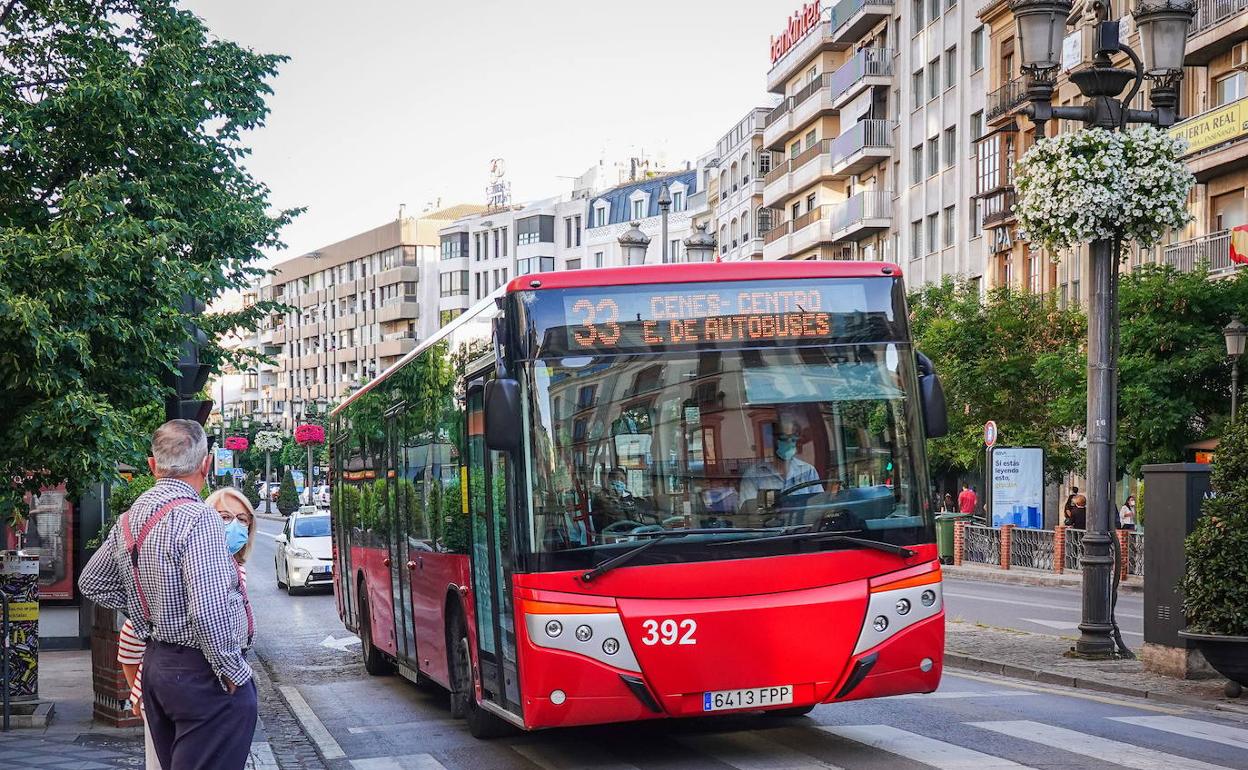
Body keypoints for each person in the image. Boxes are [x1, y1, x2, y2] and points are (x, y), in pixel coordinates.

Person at [80, 420, 256, 770]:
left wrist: (149, 609)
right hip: (202, 674)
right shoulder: (199, 517)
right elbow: (208, 608)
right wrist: (233, 670)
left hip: (158, 668)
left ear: (152, 465)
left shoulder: (130, 519)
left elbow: (92, 581)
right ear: (206, 465)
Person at [117, 487, 256, 769]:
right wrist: (139, 691)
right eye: (224, 517)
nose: (234, 526)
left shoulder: (234, 566)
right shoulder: (192, 565)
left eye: (243, 520)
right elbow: (132, 634)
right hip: (186, 691)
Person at [739, 416, 822, 516]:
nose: (789, 443)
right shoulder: (753, 475)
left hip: (805, 530)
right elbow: (749, 514)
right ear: (773, 440)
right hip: (770, 530)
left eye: (793, 439)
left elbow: (819, 507)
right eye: (784, 438)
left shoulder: (808, 471)